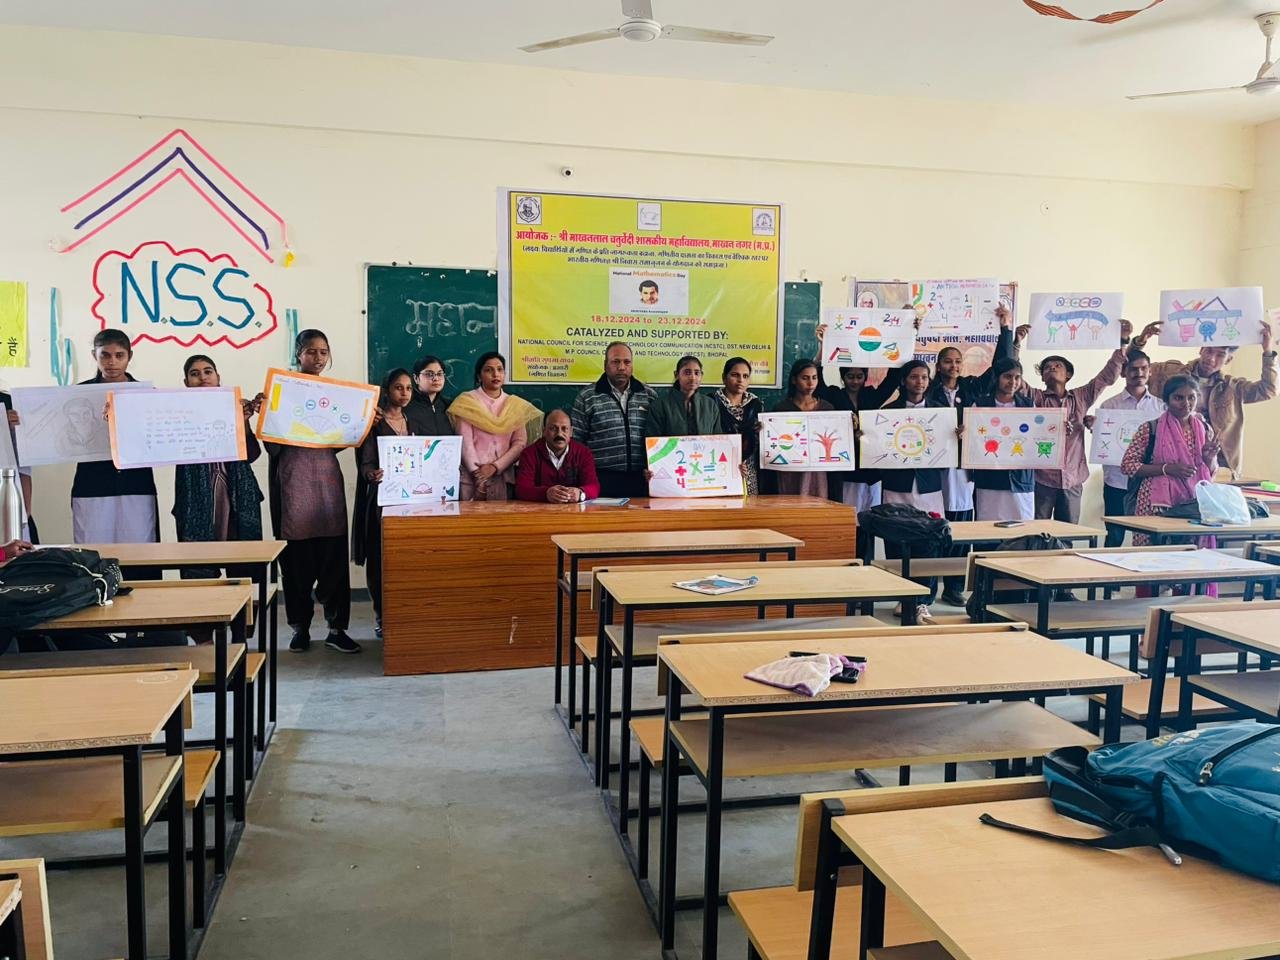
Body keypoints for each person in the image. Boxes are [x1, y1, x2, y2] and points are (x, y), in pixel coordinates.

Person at [266, 329, 359, 654]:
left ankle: (336, 628)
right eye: (310, 351)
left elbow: (340, 438)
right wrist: (269, 414)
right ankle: (300, 628)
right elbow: (271, 444)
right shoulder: (282, 391)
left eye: (323, 352)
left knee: (334, 561)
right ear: (298, 354)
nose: (317, 358)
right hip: (294, 483)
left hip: (327, 483)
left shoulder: (336, 394)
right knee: (297, 565)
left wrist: (362, 422)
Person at [926, 304, 1017, 605]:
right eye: (947, 361)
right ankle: (927, 588)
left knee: (962, 526)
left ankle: (954, 586)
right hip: (934, 467)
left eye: (957, 361)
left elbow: (999, 366)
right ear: (938, 365)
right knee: (935, 525)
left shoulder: (972, 388)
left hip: (964, 467)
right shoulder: (928, 391)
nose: (953, 366)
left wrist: (1005, 329)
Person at [1013, 319, 1130, 522]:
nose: (1052, 368)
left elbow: (1107, 377)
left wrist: (1123, 341)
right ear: (1042, 377)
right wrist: (1016, 343)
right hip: (1042, 478)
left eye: (1057, 366)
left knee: (1069, 531)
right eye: (1047, 368)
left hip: (1073, 478)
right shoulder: (1035, 397)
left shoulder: (1081, 396)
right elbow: (1014, 378)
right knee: (1037, 530)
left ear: (1068, 374)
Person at [68, 331, 161, 582]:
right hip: (91, 483)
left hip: (136, 483)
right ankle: (94, 600)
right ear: (94, 356)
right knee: (93, 553)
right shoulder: (77, 395)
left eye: (119, 355)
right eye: (105, 355)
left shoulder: (147, 394)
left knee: (140, 553)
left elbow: (158, 437)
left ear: (129, 356)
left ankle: (142, 604)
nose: (112, 362)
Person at [1132, 319, 1277, 477]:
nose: (1211, 358)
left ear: (1228, 360)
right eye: (1209, 351)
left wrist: (1268, 351)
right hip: (1170, 462)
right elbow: (1131, 368)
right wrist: (1140, 342)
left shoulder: (1233, 388)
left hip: (1217, 467)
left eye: (1220, 355)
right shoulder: (1168, 373)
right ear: (1201, 349)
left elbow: (1268, 389)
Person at [173, 354, 266, 581]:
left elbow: (252, 455)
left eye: (208, 372)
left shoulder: (234, 407)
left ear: (218, 377)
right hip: (195, 496)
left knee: (243, 567)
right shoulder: (176, 412)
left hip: (238, 494)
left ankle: (243, 606)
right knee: (200, 568)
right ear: (186, 382)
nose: (202, 377)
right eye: (194, 374)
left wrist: (243, 421)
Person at [814, 324, 907, 512]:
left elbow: (893, 378)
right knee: (848, 518)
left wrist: (901, 335)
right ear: (843, 377)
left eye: (859, 376)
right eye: (850, 376)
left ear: (865, 377)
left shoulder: (872, 396)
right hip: (846, 470)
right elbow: (817, 379)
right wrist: (822, 346)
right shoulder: (834, 395)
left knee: (871, 520)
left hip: (871, 470)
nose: (855, 381)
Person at [1121, 375, 1221, 550]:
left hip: (1193, 503)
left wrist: (1209, 458)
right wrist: (1167, 469)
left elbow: (1210, 472)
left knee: (1188, 555)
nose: (1186, 403)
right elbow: (1128, 465)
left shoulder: (1204, 429)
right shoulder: (1150, 428)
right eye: (1178, 398)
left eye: (1191, 397)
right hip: (1155, 503)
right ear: (1166, 400)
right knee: (1151, 554)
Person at [353, 368, 418, 636]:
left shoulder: (414, 421)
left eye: (409, 388)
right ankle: (382, 616)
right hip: (382, 502)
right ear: (387, 390)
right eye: (398, 388)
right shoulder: (375, 422)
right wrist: (372, 474)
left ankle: (406, 614)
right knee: (380, 560)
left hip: (412, 502)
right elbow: (366, 462)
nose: (404, 393)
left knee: (407, 561)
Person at [1084, 350, 1164, 547]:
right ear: (1123, 373)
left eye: (1144, 368)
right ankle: (1109, 568)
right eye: (1133, 369)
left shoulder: (1161, 408)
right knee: (1114, 534)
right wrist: (1096, 427)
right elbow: (1105, 442)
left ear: (1150, 371)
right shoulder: (1109, 406)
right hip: (1116, 479)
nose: (1139, 373)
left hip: (1148, 482)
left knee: (1149, 533)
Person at [570, 342, 657, 498]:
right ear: (605, 365)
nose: (622, 367)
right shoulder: (587, 397)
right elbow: (576, 444)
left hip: (644, 480)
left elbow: (659, 438)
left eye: (627, 362)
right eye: (615, 362)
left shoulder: (649, 395)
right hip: (601, 481)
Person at [449, 351, 538, 501]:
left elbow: (519, 443)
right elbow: (465, 442)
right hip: (472, 479)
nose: (495, 374)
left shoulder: (515, 405)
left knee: (501, 516)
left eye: (499, 369)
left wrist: (495, 467)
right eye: (488, 370)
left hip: (503, 477)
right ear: (479, 376)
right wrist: (478, 474)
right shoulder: (467, 401)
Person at [970, 357, 1037, 522]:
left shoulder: (1028, 405)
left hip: (1020, 479)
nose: (1013, 382)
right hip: (989, 479)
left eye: (1017, 377)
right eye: (1007, 376)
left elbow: (1037, 437)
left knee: (1022, 527)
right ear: (996, 377)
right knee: (988, 527)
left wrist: (1057, 430)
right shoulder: (980, 405)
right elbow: (973, 440)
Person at [769, 359, 838, 499]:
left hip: (817, 471)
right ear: (794, 380)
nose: (811, 383)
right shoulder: (782, 409)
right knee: (790, 505)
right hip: (790, 470)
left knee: (817, 505)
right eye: (805, 378)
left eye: (814, 378)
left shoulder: (827, 408)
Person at [515, 409, 600, 503]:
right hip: (539, 510)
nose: (559, 434)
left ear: (571, 432)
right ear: (544, 431)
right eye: (553, 428)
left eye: (564, 429)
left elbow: (593, 486)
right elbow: (522, 489)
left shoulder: (583, 453)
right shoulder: (529, 454)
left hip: (575, 510)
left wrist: (581, 493)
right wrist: (546, 494)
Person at [712, 357, 764, 496]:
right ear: (724, 378)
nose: (740, 380)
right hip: (719, 467)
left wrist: (763, 431)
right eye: (735, 375)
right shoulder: (711, 403)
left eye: (745, 376)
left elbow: (761, 444)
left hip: (748, 469)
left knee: (749, 507)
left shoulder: (756, 405)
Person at [644, 355, 723, 437]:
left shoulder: (710, 405)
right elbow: (653, 440)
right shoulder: (660, 405)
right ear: (676, 375)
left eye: (697, 373)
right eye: (687, 373)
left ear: (701, 375)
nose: (693, 378)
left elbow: (718, 439)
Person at [406, 355, 454, 436]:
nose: (436, 378)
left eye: (440, 374)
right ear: (416, 378)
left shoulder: (450, 406)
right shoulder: (406, 406)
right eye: (429, 374)